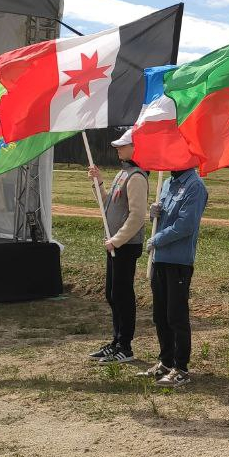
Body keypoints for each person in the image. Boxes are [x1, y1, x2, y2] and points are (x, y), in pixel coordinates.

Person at [135, 162, 208, 388]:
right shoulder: (167, 183)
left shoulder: (195, 186)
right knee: (160, 314)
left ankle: (181, 368)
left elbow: (185, 225)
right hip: (160, 259)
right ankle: (165, 361)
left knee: (176, 315)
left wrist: (157, 239)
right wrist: (154, 213)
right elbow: (164, 218)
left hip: (178, 260)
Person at [86, 129, 148, 365]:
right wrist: (98, 182)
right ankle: (116, 342)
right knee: (112, 294)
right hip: (114, 246)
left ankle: (126, 346)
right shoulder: (123, 174)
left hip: (125, 246)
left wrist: (117, 239)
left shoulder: (137, 178)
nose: (118, 149)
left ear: (135, 148)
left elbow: (137, 216)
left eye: (123, 145)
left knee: (122, 295)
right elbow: (107, 204)